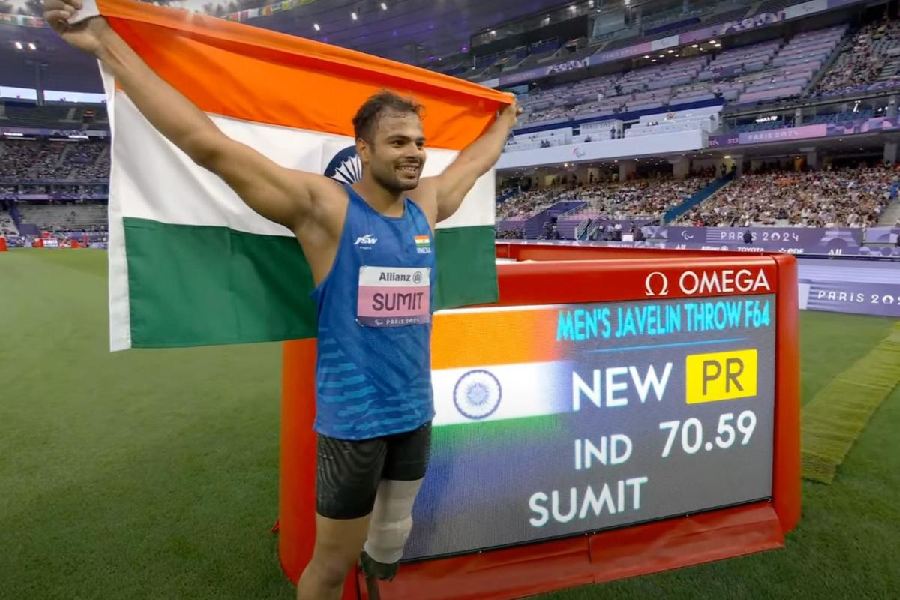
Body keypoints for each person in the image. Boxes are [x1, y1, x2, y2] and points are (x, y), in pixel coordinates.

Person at [42, 3, 520, 599]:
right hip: (354, 424)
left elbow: (473, 163)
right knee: (327, 565)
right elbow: (205, 144)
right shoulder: (325, 210)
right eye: (398, 141)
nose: (415, 152)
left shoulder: (426, 207)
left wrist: (504, 121)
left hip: (415, 411)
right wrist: (106, 44)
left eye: (420, 142)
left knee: (393, 538)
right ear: (362, 150)